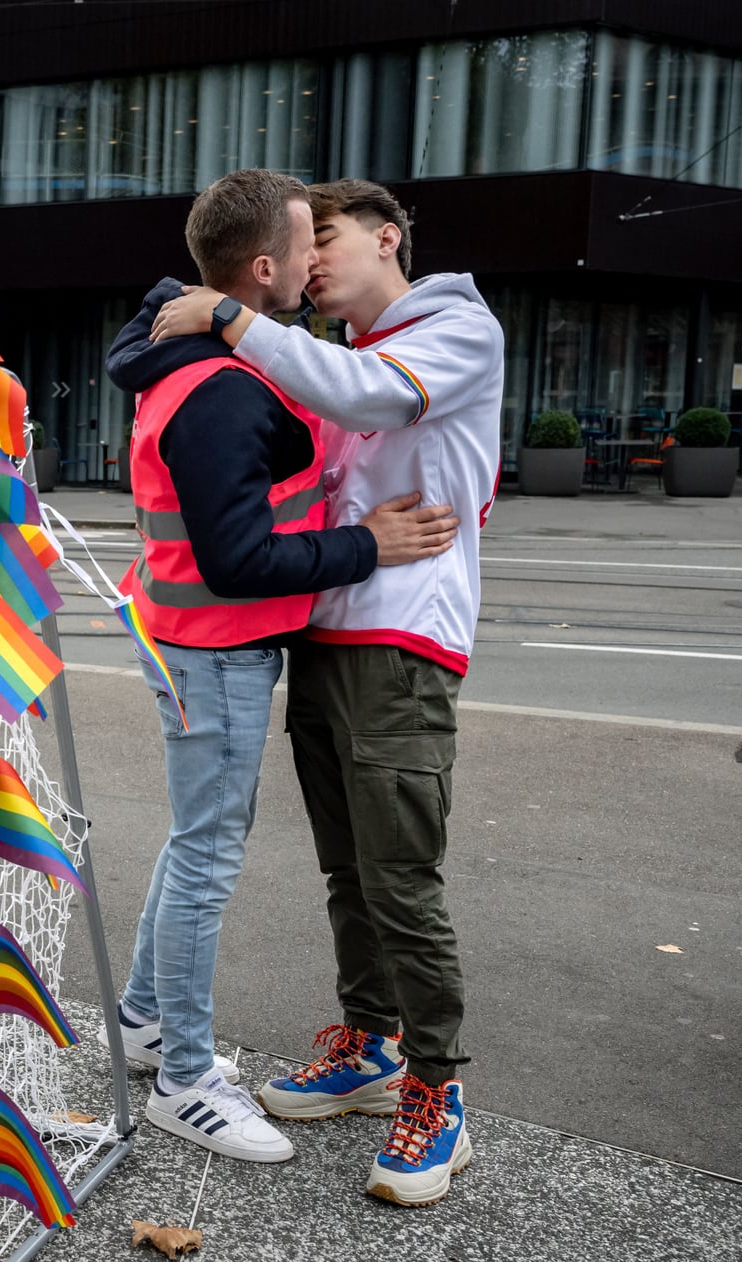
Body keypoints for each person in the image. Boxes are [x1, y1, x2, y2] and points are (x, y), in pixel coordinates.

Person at [148, 178, 505, 1207]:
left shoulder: (451, 330)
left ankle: (436, 1093)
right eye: (297, 250)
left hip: (400, 647)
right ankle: (369, 1043)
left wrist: (224, 312)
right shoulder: (338, 354)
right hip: (326, 633)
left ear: (385, 237)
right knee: (348, 872)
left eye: (327, 242)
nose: (307, 266)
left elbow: (358, 399)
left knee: (399, 877)